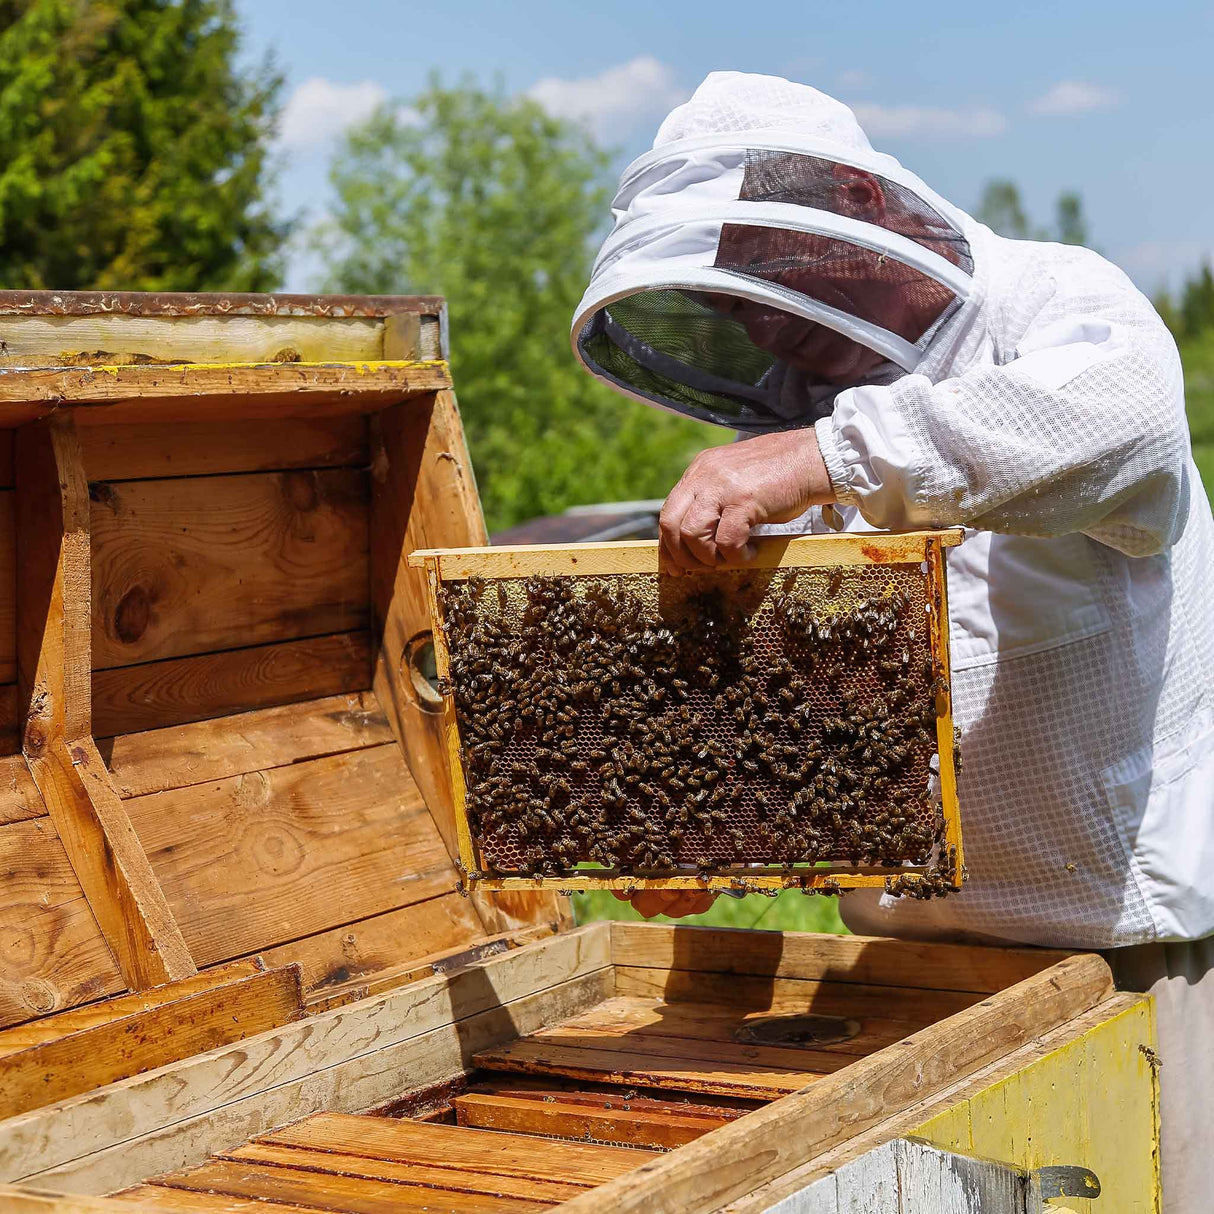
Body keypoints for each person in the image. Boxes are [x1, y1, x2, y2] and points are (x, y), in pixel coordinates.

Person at [570, 71, 1214, 1210]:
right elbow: (808, 688)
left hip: (1117, 960)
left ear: (859, 199)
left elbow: (1121, 421)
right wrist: (706, 822)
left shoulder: (1051, 301)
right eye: (733, 303)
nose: (759, 323)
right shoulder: (804, 399)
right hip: (888, 967)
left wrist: (826, 456)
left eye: (770, 277)